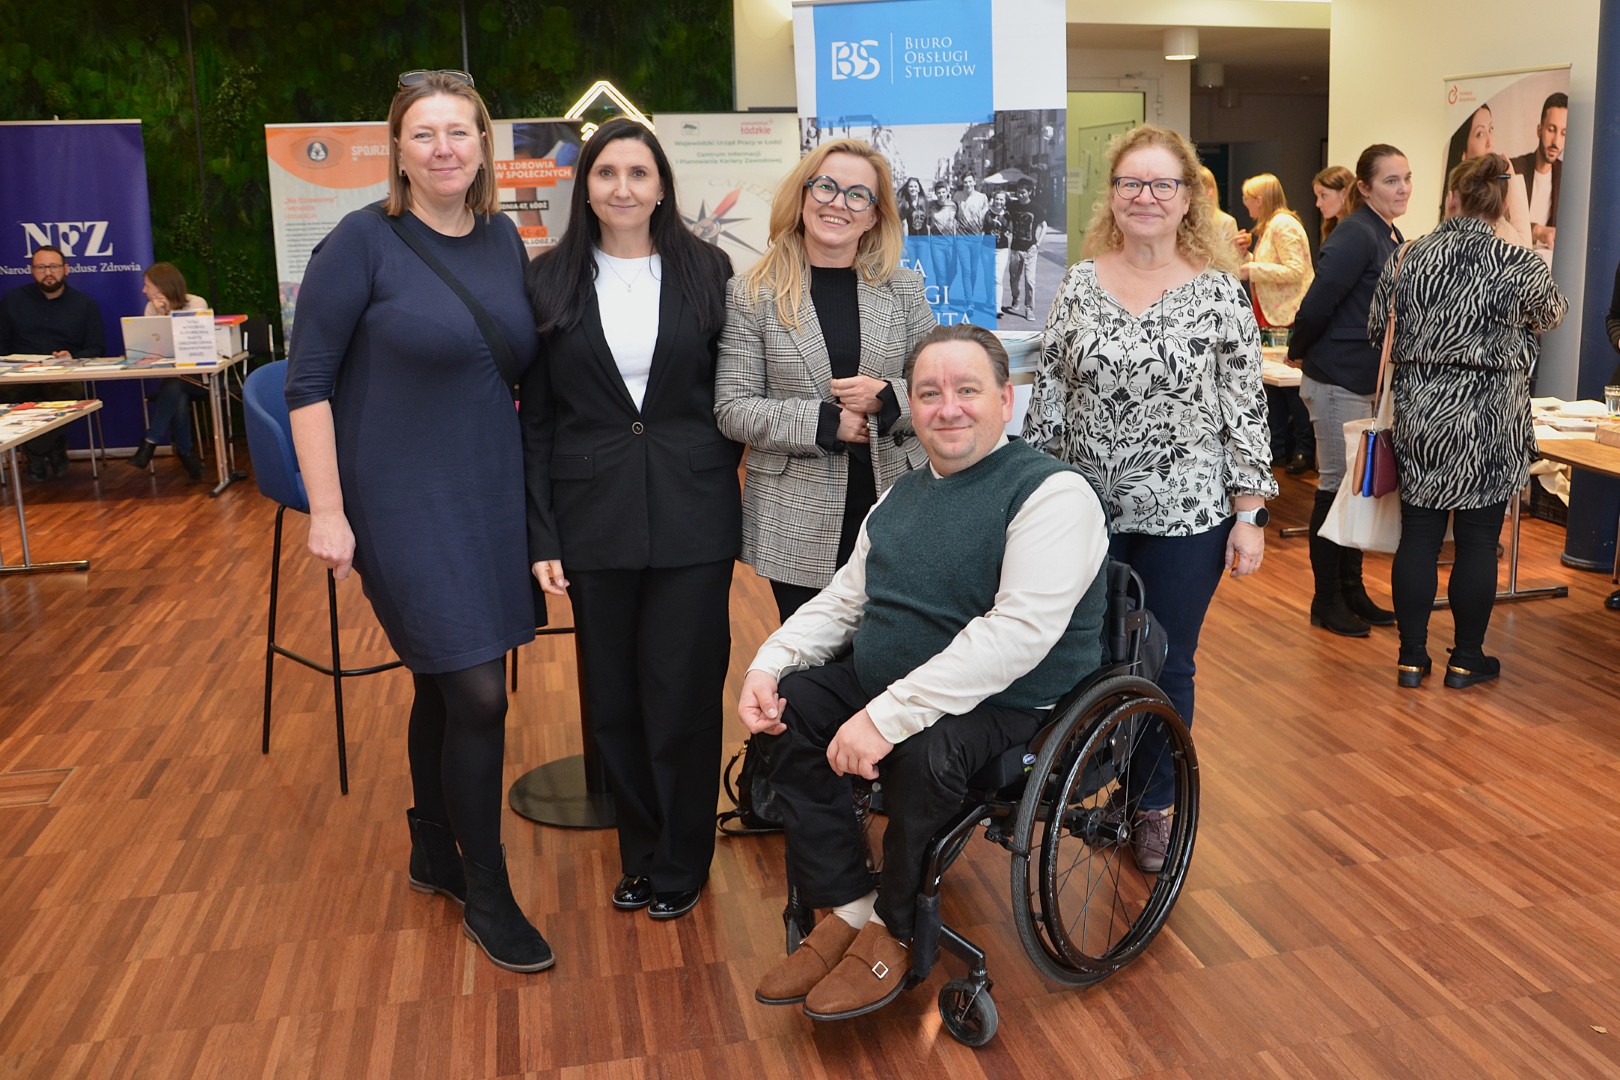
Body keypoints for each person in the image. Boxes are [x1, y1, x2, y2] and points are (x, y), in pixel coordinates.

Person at [741, 324, 1110, 1022]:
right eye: (930, 393)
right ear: (910, 405)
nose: (949, 408)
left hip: (1011, 699)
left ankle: (898, 928)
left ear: (1005, 399)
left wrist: (885, 717)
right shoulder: (900, 496)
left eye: (968, 390)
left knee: (926, 748)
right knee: (792, 706)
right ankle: (849, 908)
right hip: (900, 682)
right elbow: (845, 601)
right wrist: (769, 662)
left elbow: (1014, 636)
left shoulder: (1053, 494)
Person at [285, 69, 552, 974]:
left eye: (459, 132)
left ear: (483, 147)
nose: (444, 148)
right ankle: (488, 890)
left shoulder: (504, 240)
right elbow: (306, 386)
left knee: (444, 681)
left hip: (486, 492)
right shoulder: (359, 243)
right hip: (397, 501)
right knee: (479, 693)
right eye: (425, 133)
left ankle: (433, 848)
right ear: (397, 151)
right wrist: (327, 511)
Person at [1024, 124, 1274, 851]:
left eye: (1163, 184)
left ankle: (1152, 806)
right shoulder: (1079, 284)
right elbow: (1051, 399)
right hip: (1084, 512)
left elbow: (1245, 408)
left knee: (1168, 661)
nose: (1146, 196)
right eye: (1131, 183)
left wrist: (1251, 514)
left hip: (1187, 515)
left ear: (1188, 198)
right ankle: (1088, 787)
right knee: (1091, 657)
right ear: (1113, 196)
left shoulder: (1221, 294)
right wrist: (1025, 498)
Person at [522, 117, 738, 922]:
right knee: (613, 699)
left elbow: (730, 390)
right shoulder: (548, 280)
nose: (622, 187)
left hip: (693, 512)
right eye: (606, 172)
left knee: (683, 691)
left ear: (661, 187)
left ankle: (684, 858)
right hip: (592, 516)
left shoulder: (707, 271)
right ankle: (641, 854)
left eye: (638, 173)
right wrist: (541, 532)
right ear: (585, 187)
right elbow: (537, 422)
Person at [716, 138, 938, 621]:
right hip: (796, 518)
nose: (838, 203)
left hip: (898, 506)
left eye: (857, 195)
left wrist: (888, 398)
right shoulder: (751, 293)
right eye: (826, 187)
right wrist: (825, 422)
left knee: (896, 655)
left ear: (873, 216)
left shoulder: (903, 289)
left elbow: (937, 388)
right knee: (808, 659)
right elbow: (733, 407)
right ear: (803, 196)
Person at [1370, 154, 1567, 688]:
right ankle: (1465, 658)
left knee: (1419, 538)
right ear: (1502, 202)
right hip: (1491, 417)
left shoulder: (1407, 256)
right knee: (1479, 542)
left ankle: (1411, 658)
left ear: (1452, 196)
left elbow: (1376, 330)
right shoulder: (1518, 262)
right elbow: (1552, 315)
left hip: (1422, 413)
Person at [1287, 143, 1411, 637]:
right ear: (1364, 187)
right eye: (1391, 180)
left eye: (1406, 178)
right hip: (1337, 377)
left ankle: (1352, 590)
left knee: (1358, 491)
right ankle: (1327, 600)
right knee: (1337, 487)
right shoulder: (1357, 233)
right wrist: (1298, 348)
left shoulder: (1388, 232)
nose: (1403, 188)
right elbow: (1319, 302)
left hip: (1364, 379)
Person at [0, 245, 104, 481]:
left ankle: (35, 453)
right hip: (19, 377)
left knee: (70, 398)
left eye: (53, 267)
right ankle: (53, 445)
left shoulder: (84, 304)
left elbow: (97, 348)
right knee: (4, 397)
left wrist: (73, 356)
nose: (48, 273)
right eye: (41, 267)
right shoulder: (12, 300)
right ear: (31, 270)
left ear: (66, 269)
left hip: (63, 376)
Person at [1239, 173, 1317, 474]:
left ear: (1259, 200)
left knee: (1291, 389)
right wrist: (1248, 258)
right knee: (1274, 389)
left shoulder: (1284, 224)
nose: (1245, 204)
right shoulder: (1271, 225)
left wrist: (1251, 268)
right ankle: (1278, 449)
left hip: (1288, 315)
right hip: (1273, 315)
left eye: (1247, 199)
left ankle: (1302, 450)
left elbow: (1296, 270)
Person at [129, 262, 210, 479]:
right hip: (173, 379)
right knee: (176, 391)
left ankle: (150, 442)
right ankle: (186, 454)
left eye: (147, 285)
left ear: (161, 287)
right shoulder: (150, 308)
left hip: (199, 378)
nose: (143, 290)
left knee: (175, 385)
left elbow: (188, 346)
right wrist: (159, 313)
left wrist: (167, 314)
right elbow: (155, 347)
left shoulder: (196, 303)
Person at [1444, 104, 1532, 247]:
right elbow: (1525, 248)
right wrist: (1511, 176)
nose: (1490, 141)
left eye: (1491, 129)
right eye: (1480, 134)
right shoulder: (1485, 216)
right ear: (1463, 153)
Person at [1510, 92, 1566, 255]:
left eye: (1563, 133)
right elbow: (1499, 221)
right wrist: (1538, 231)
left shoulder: (1566, 177)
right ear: (1539, 130)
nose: (1556, 142)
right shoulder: (1514, 168)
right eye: (1551, 130)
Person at [1004, 179, 1046, 320]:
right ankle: (1015, 297)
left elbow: (1044, 226)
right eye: (1018, 192)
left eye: (1023, 192)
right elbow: (1006, 221)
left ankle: (1029, 308)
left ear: (1030, 192)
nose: (1020, 195)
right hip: (1015, 249)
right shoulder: (1012, 206)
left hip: (1030, 250)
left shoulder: (1036, 208)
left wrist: (1038, 244)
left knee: (1030, 280)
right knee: (1013, 279)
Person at [1200, 166, 1241, 253]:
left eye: (1197, 189)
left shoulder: (1227, 222)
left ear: (1209, 191)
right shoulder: (1181, 221)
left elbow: (1233, 257)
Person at [1312, 165, 1356, 244]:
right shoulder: (1332, 227)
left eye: (1323, 195)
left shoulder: (1357, 228)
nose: (1318, 204)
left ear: (1344, 193)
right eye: (1317, 196)